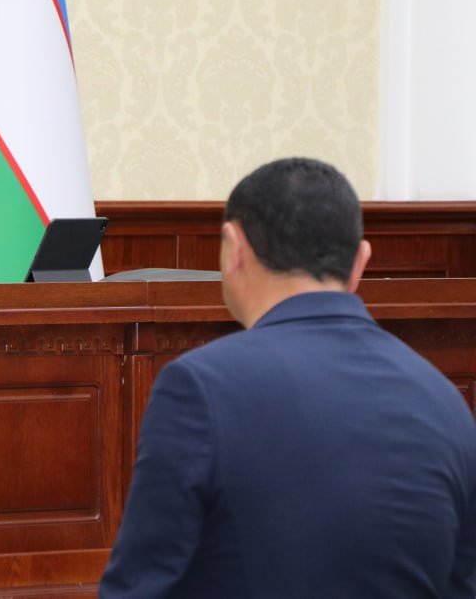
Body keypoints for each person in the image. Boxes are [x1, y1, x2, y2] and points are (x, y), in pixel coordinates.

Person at [99, 157, 476, 598]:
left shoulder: (199, 387)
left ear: (234, 248)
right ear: (360, 261)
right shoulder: (446, 401)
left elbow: (138, 587)